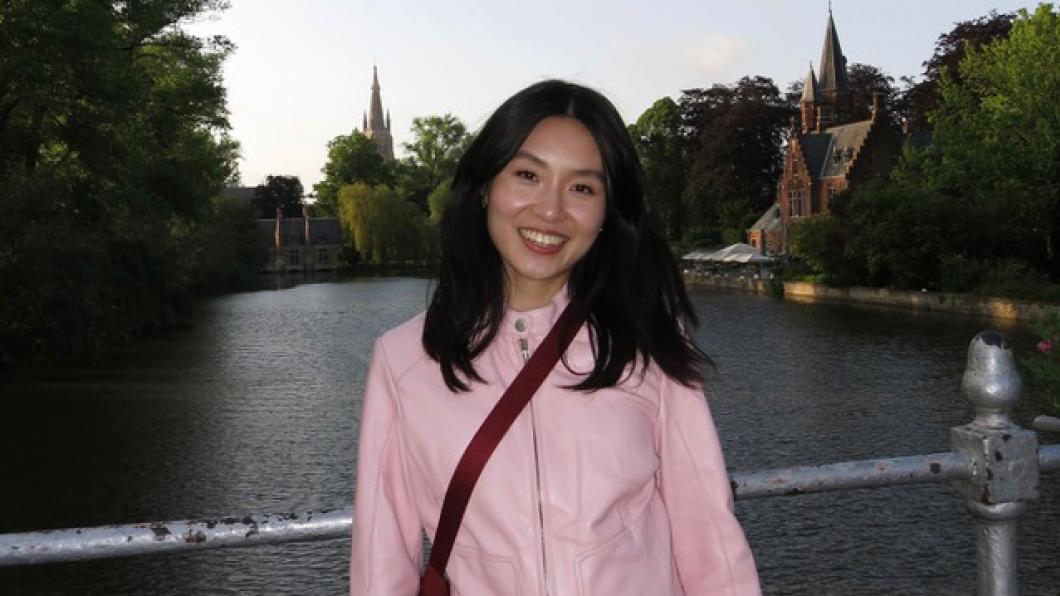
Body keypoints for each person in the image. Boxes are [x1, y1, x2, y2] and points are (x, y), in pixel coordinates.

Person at [350, 79, 761, 595]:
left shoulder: (647, 341)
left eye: (582, 188)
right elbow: (379, 564)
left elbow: (710, 541)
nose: (550, 210)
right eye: (527, 175)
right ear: (484, 189)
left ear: (608, 214)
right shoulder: (404, 361)